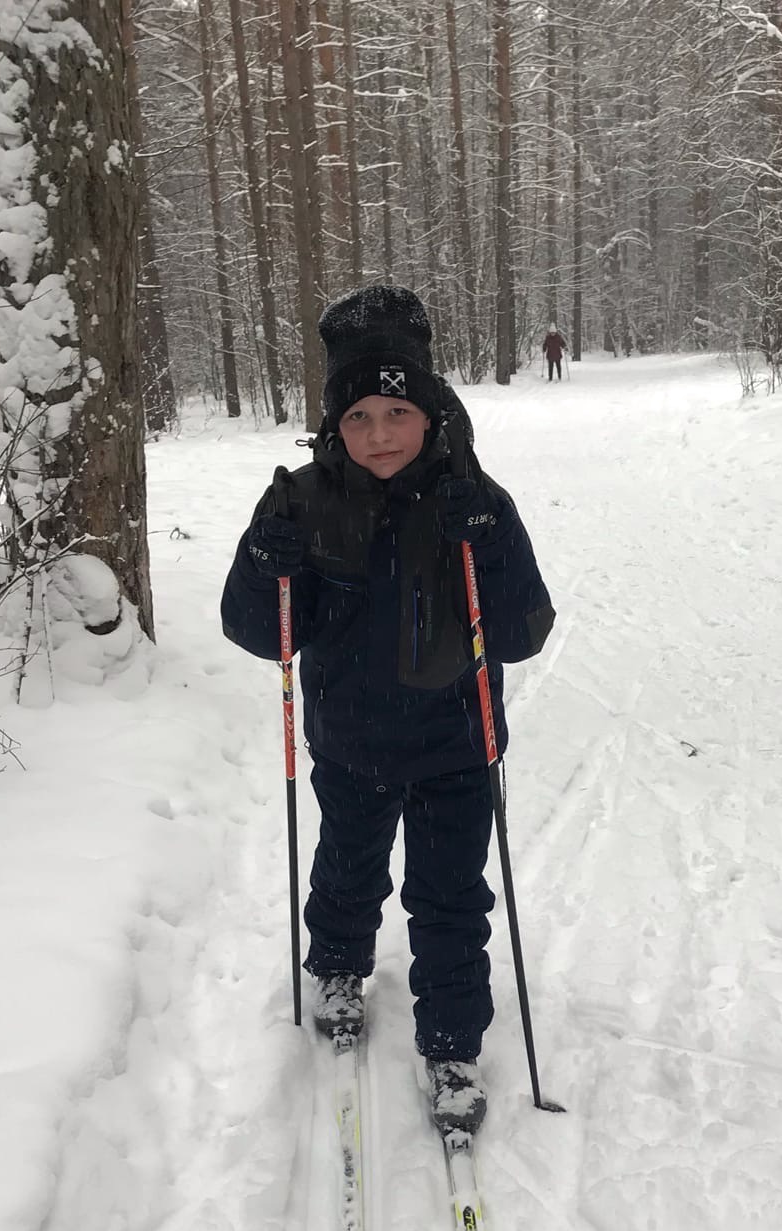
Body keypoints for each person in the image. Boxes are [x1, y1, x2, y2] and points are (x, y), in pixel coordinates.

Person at [220, 286, 555, 1135]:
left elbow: (521, 633)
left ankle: (451, 1041)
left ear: (431, 414)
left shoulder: (476, 499)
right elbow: (259, 634)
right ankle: (336, 965)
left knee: (449, 897)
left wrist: (493, 538)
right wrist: (265, 562)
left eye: (397, 411)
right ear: (335, 421)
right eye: (360, 415)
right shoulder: (298, 501)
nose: (379, 434)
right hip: (349, 742)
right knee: (348, 869)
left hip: (456, 743)